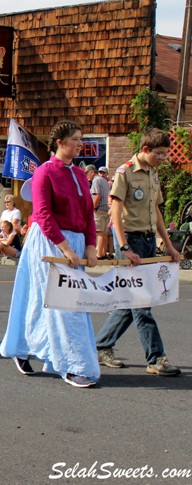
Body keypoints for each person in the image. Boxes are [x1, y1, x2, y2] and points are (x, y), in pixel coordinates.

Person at [0, 120, 100, 389]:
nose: (80, 143)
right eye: (76, 139)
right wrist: (65, 247)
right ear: (60, 143)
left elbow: (88, 214)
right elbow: (42, 214)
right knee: (52, 302)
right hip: (49, 243)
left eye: (81, 139)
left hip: (75, 243)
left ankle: (39, 351)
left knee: (72, 304)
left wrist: (91, 245)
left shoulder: (79, 174)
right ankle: (70, 364)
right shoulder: (45, 172)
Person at [95, 128, 182, 376]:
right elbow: (115, 211)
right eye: (160, 154)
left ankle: (101, 345)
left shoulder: (153, 173)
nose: (163, 159)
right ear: (145, 150)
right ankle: (156, 358)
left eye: (165, 154)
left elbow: (157, 212)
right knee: (142, 302)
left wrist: (169, 244)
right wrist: (124, 247)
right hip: (130, 241)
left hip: (147, 241)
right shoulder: (125, 172)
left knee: (129, 301)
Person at [86, 164, 111, 259]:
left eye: (87, 173)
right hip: (106, 209)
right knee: (104, 233)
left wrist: (92, 209)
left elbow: (97, 196)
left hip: (99, 210)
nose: (86, 176)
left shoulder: (96, 180)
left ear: (92, 172)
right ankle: (103, 252)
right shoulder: (104, 181)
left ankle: (99, 254)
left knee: (99, 233)